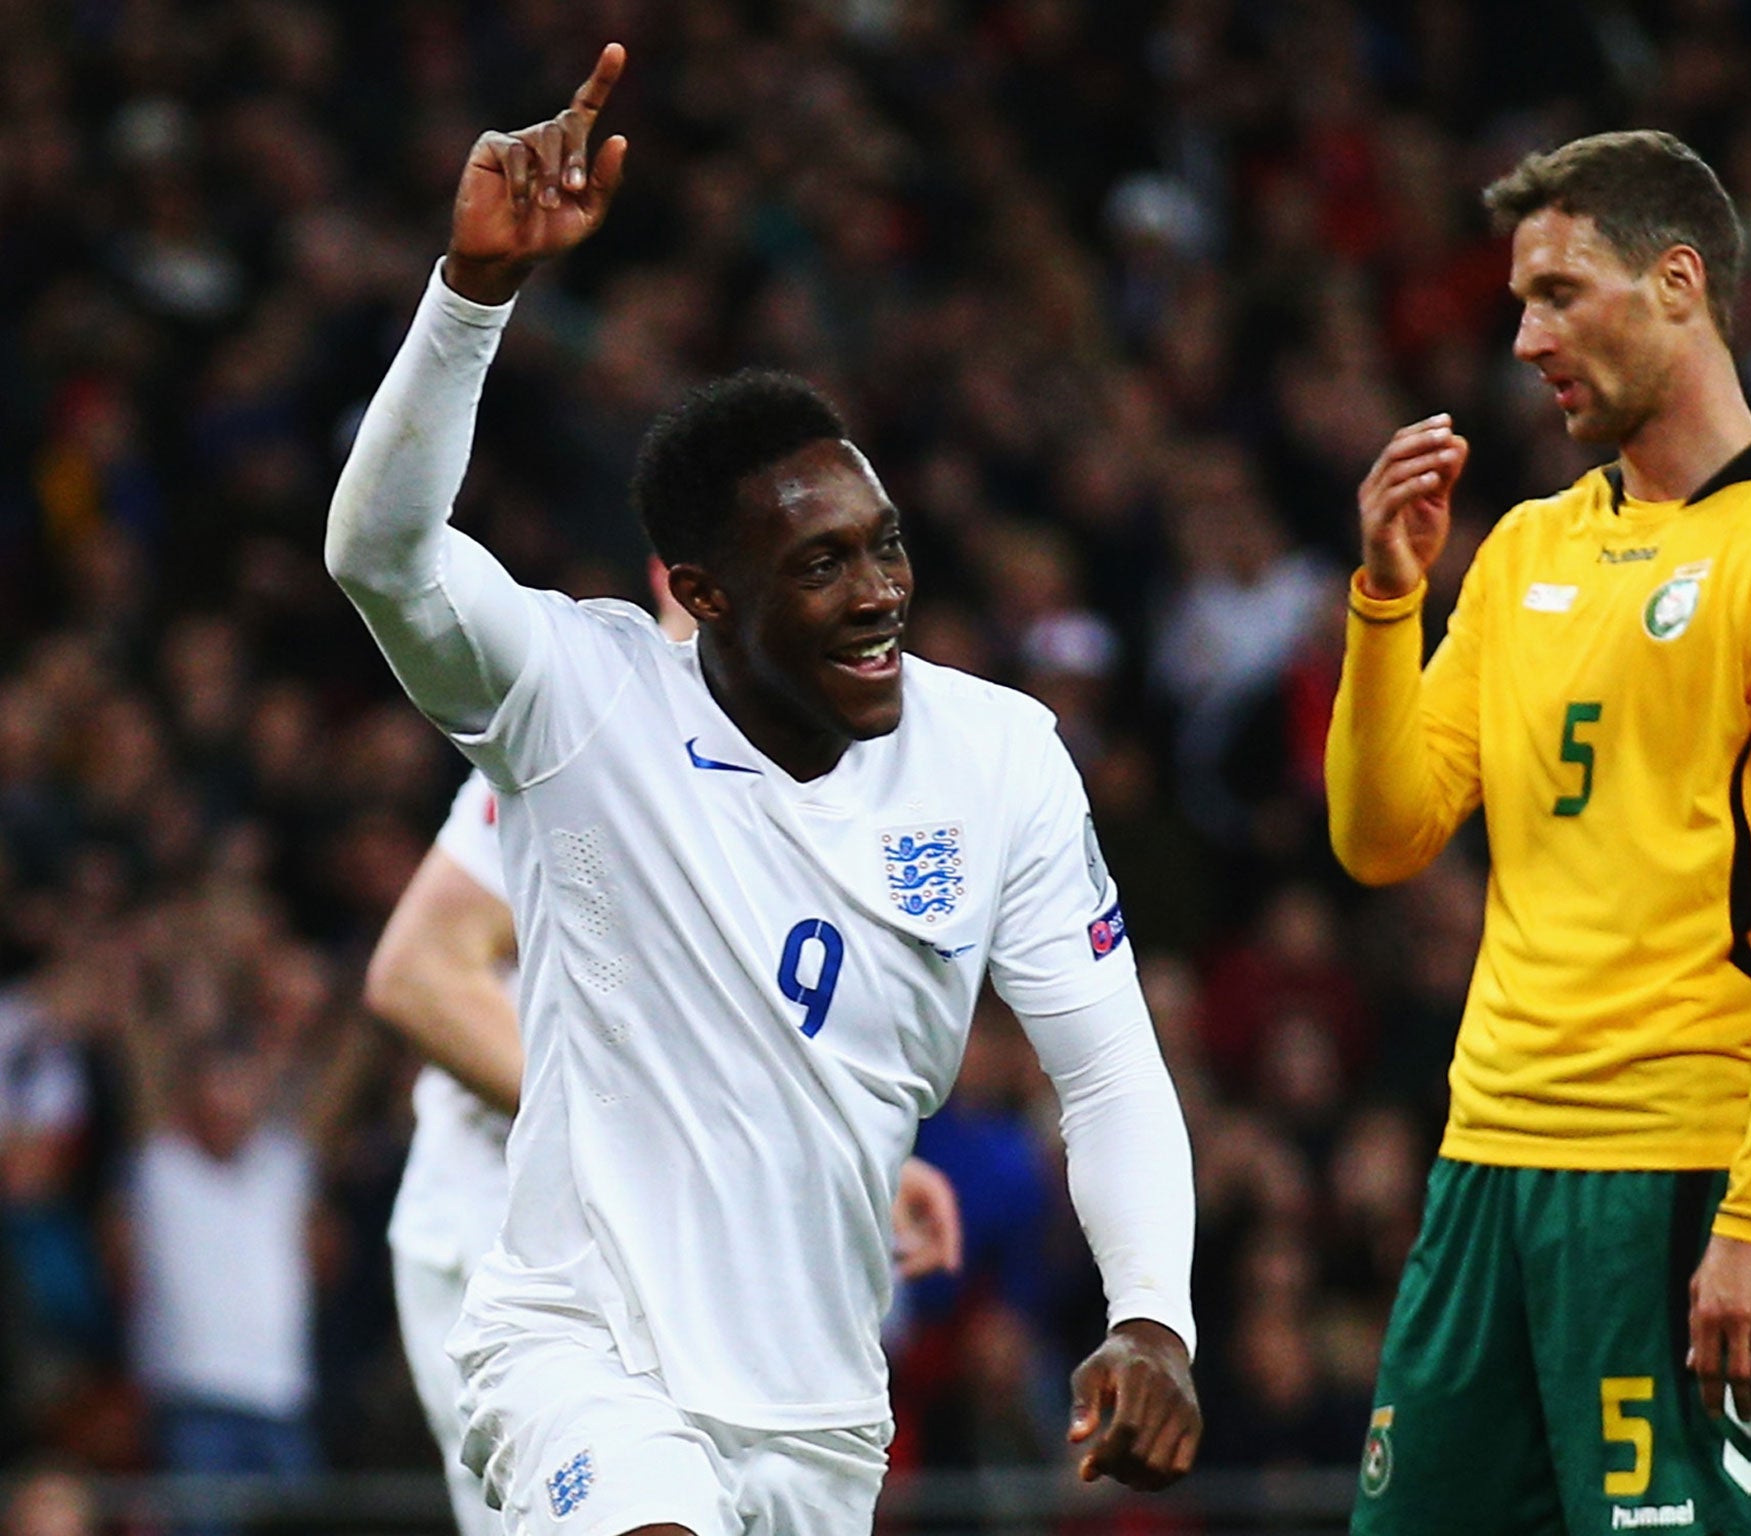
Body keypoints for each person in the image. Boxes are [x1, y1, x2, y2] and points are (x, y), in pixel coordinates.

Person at [325, 43, 1199, 1536]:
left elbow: (1106, 1070)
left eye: (886, 545)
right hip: (581, 1356)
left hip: (815, 1412)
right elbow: (379, 556)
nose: (879, 596)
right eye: (821, 566)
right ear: (703, 595)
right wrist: (471, 299)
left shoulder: (1000, 763)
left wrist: (1153, 1315)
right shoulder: (578, 701)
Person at [1326, 130, 1751, 1535]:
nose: (1524, 337)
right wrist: (1387, 603)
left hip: (1683, 1174)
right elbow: (1384, 832)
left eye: (1558, 293)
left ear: (1676, 281)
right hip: (1490, 1164)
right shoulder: (1528, 548)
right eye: (1519, 303)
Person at [368, 559, 966, 1536]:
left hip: (672, 1263)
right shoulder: (586, 716)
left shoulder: (781, 759)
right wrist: (669, 1129)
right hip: (517, 1240)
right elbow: (420, 973)